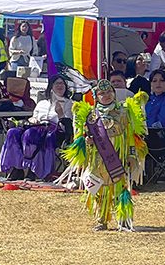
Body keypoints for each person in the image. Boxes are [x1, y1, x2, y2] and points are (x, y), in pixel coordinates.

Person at [61, 79, 148, 231]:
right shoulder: (91, 116)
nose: (106, 95)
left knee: (121, 189)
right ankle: (102, 219)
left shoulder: (124, 112)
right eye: (102, 93)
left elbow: (131, 137)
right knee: (99, 190)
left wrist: (132, 155)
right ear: (96, 97)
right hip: (98, 160)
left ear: (114, 94)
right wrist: (87, 142)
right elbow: (83, 138)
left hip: (118, 158)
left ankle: (124, 219)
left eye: (109, 92)